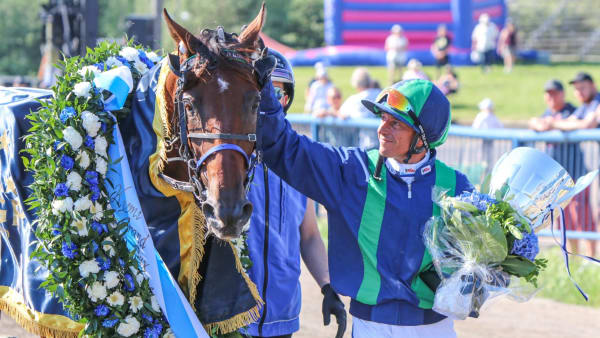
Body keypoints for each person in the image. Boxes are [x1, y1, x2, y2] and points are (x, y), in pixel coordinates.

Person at [258, 78, 474, 337]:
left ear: (422, 137)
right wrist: (264, 93)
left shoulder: (457, 186)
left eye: (395, 123)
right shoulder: (352, 170)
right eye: (382, 119)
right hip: (371, 327)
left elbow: (488, 259)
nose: (382, 129)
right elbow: (282, 148)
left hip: (436, 327)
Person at [245, 48, 347, 338]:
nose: (269, 102)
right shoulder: (228, 159)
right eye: (262, 92)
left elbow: (310, 235)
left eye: (278, 94)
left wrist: (328, 287)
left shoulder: (299, 159)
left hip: (283, 314)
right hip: (233, 318)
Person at [547, 73, 600, 257]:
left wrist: (554, 124)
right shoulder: (587, 106)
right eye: (576, 89)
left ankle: (591, 257)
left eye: (583, 87)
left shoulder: (597, 103)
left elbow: (587, 124)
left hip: (578, 171)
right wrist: (558, 123)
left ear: (592, 85)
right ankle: (583, 258)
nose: (579, 92)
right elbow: (571, 122)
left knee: (585, 212)